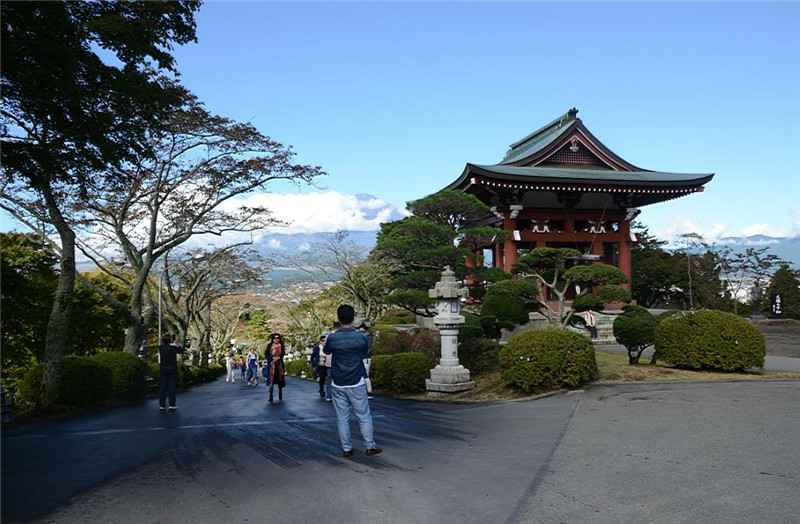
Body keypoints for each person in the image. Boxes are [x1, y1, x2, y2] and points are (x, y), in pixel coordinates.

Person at [323, 305, 381, 457]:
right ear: (353, 318)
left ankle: (347, 449)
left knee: (342, 418)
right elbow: (365, 352)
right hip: (356, 379)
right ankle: (370, 446)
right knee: (364, 415)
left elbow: (327, 351)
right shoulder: (361, 337)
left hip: (338, 381)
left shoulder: (332, 337)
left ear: (338, 318)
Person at [158, 334, 184, 413]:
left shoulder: (160, 348)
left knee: (162, 388)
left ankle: (162, 406)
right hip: (172, 369)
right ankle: (172, 405)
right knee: (171, 388)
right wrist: (176, 344)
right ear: (170, 341)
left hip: (163, 369)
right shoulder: (173, 348)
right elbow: (181, 350)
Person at [266, 333, 286, 403]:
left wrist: (279, 357)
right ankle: (270, 396)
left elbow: (283, 353)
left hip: (279, 364)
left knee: (280, 380)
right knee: (271, 380)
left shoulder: (281, 345)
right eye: (275, 338)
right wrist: (271, 358)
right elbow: (266, 354)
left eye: (277, 338)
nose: (276, 339)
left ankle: (280, 394)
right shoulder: (269, 345)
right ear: (273, 339)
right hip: (272, 365)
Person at [311, 334, 330, 400]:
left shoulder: (328, 347)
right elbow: (312, 356)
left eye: (325, 341)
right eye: (323, 340)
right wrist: (313, 365)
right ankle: (321, 390)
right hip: (320, 365)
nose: (324, 342)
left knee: (328, 378)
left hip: (327, 365)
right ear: (320, 341)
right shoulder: (316, 348)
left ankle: (329, 393)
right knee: (322, 378)